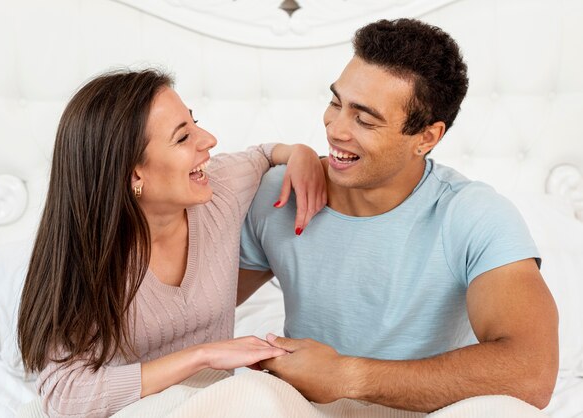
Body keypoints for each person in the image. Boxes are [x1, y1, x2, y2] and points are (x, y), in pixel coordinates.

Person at [238, 18, 559, 413]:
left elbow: (532, 373)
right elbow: (184, 315)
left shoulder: (472, 214)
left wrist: (347, 376)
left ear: (426, 138)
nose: (335, 130)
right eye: (336, 103)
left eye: (365, 119)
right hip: (301, 407)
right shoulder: (282, 191)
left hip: (425, 407)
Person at [17, 68, 326, 417]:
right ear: (135, 174)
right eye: (183, 138)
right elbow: (67, 396)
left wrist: (299, 152)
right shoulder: (87, 260)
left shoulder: (218, 190)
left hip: (221, 403)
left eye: (195, 123)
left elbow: (263, 155)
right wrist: (203, 356)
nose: (208, 140)